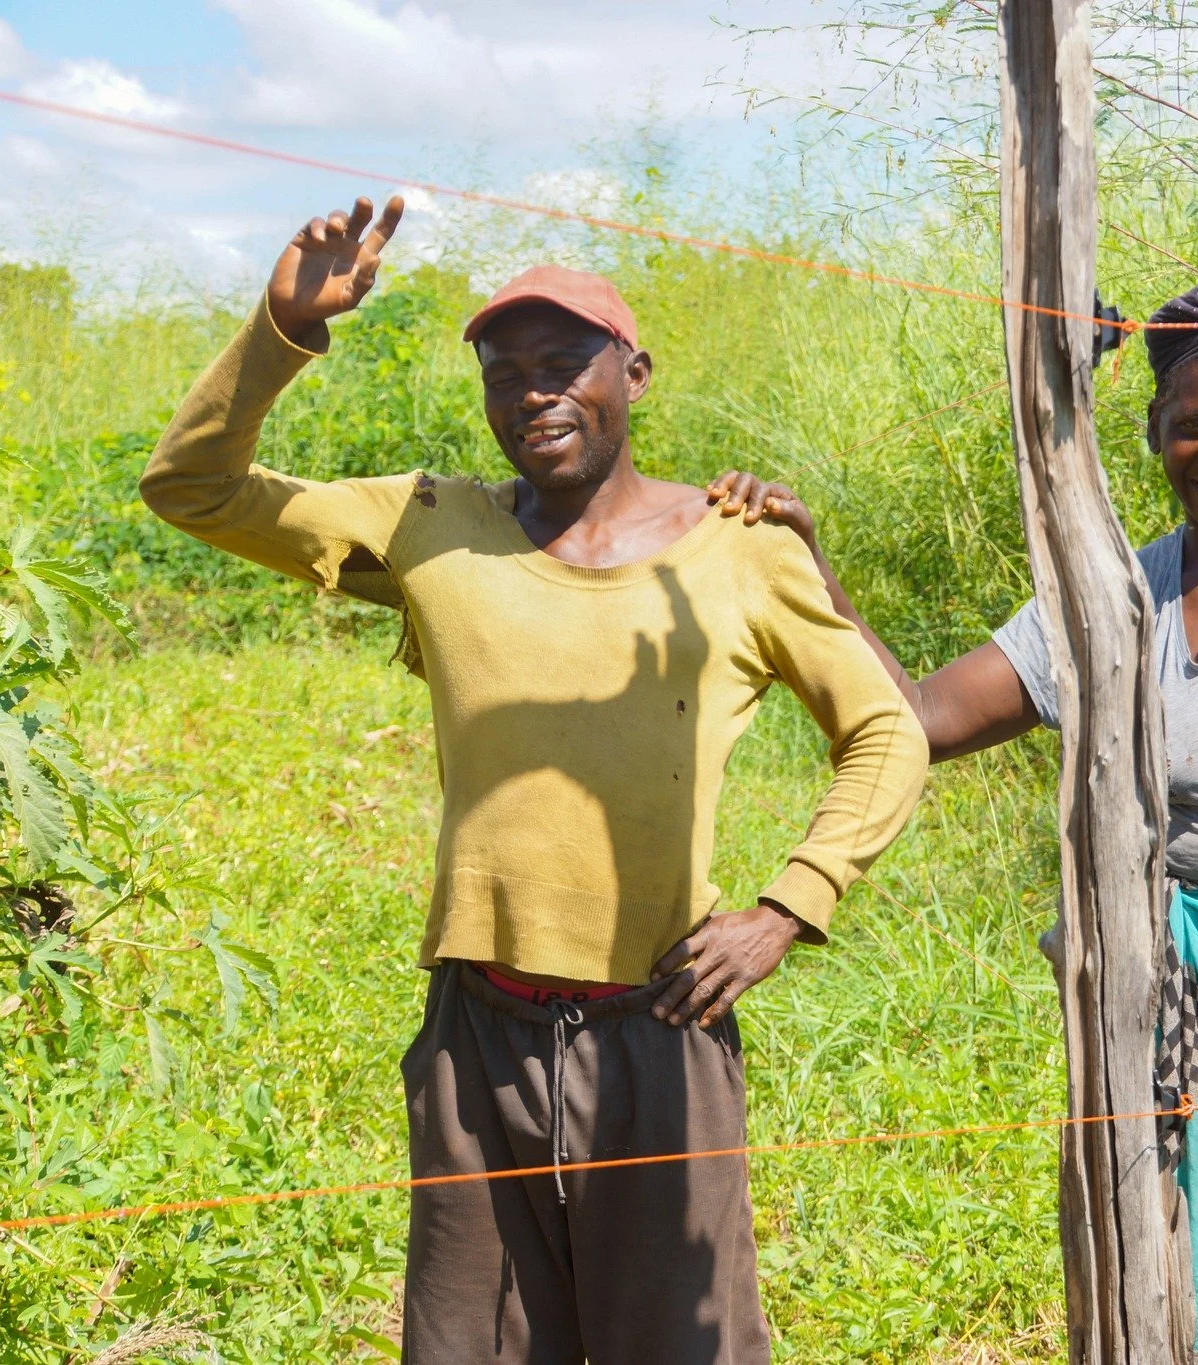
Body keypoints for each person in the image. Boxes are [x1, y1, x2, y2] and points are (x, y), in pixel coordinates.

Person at [140, 196, 928, 1364]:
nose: (533, 393)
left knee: (681, 1344)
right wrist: (281, 331)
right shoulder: (429, 526)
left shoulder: (738, 551)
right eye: (505, 374)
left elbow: (887, 729)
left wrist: (786, 907)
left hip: (657, 1032)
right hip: (479, 1032)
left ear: (637, 374)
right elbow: (190, 488)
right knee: (474, 1342)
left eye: (567, 363)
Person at [710, 281, 1198, 1365]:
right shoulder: (1107, 595)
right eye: (1194, 423)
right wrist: (808, 570)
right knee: (1178, 1265)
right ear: (1154, 436)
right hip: (1155, 978)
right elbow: (921, 720)